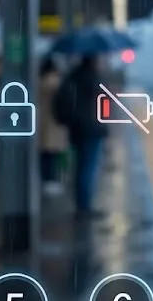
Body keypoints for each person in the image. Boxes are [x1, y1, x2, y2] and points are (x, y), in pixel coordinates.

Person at [54, 54, 107, 214]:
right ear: (94, 60)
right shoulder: (94, 79)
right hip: (91, 129)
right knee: (88, 167)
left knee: (80, 166)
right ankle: (84, 206)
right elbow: (101, 105)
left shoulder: (72, 76)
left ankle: (81, 203)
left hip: (76, 128)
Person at [38, 57, 68, 195]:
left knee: (45, 153)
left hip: (43, 121)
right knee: (52, 154)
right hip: (53, 122)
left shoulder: (40, 81)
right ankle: (49, 181)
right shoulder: (54, 82)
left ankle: (46, 180)